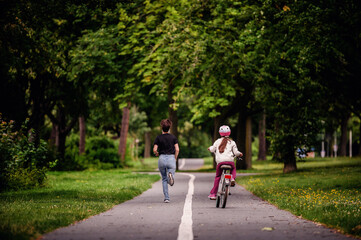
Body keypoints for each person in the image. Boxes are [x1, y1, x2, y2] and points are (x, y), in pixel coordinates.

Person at [207, 125, 243, 200]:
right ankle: (232, 178)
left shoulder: (217, 141)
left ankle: (213, 194)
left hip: (220, 163)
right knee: (233, 168)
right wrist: (240, 154)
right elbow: (236, 153)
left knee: (218, 177)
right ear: (229, 133)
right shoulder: (232, 142)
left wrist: (209, 149)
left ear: (220, 133)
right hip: (230, 162)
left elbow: (212, 149)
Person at [153, 119, 179, 203]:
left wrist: (156, 153)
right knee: (170, 176)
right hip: (171, 158)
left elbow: (155, 149)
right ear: (169, 128)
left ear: (162, 128)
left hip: (161, 158)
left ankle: (167, 198)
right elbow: (177, 149)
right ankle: (170, 177)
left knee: (163, 179)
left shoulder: (158, 137)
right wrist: (175, 158)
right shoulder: (173, 137)